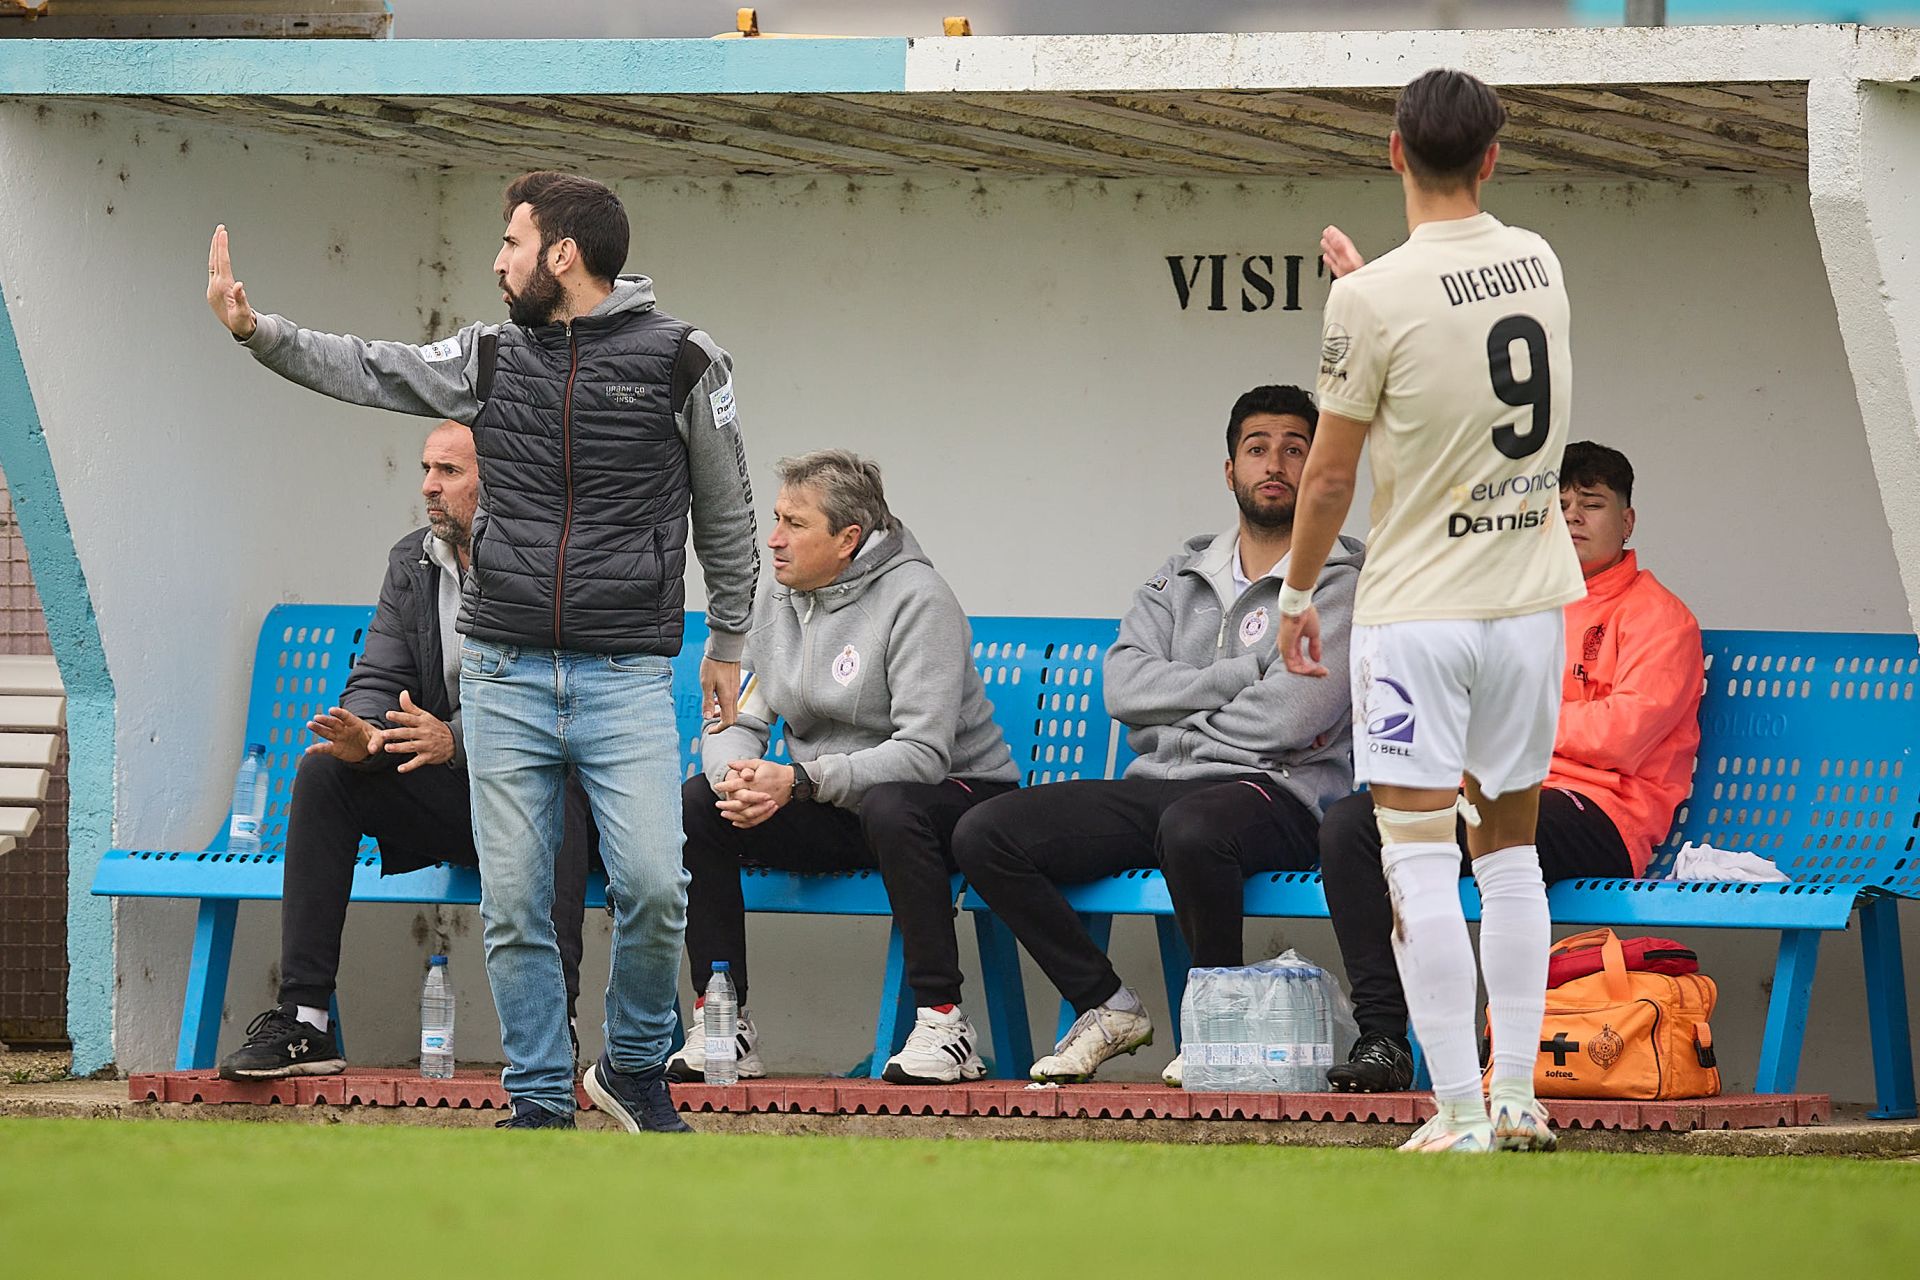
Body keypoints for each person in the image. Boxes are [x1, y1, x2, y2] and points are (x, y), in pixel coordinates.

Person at [206, 170, 759, 1131]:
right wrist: (262, 333)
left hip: (625, 676)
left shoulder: (686, 359)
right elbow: (373, 369)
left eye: (510, 242)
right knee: (513, 909)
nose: (497, 261)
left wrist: (731, 635)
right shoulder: (490, 356)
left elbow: (727, 509)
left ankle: (631, 1067)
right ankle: (540, 1097)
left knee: (655, 887)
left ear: (562, 255)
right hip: (501, 671)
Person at [1275, 69, 1586, 1153]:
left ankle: (1457, 1110)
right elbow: (1456, 348)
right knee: (1509, 857)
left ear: (1393, 151)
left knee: (1416, 859)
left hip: (1422, 613)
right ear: (1494, 157)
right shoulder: (1539, 261)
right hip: (1531, 604)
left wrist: (1300, 587)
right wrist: (1375, 289)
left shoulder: (1370, 302)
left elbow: (1326, 477)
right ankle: (1516, 1096)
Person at [955, 386, 1362, 1085]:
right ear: (1228, 469)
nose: (1276, 464)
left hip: (1278, 794)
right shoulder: (1178, 576)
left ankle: (1214, 1030)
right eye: (1257, 448)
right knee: (984, 832)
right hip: (1161, 788)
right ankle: (1106, 1004)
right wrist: (1244, 672)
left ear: (1320, 470)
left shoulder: (1343, 583)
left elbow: (1297, 715)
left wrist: (1183, 713)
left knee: (1193, 826)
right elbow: (1123, 687)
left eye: (1296, 450)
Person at [216, 422, 600, 1082]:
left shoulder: (555, 565)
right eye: (426, 468)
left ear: (499, 477)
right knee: (324, 775)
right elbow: (377, 676)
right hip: (463, 801)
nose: (428, 485)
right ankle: (306, 1022)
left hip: (554, 800)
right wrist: (365, 735)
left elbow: (568, 717)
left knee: (554, 789)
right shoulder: (413, 562)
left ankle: (549, 1029)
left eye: (448, 471)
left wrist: (458, 740)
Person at [1320, 442, 1704, 1092]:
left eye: (1592, 503)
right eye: (1558, 505)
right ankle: (1385, 1037)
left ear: (1627, 520)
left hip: (1600, 816)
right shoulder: (1512, 607)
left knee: (1482, 837)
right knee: (1355, 824)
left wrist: (1509, 725)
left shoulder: (1658, 617)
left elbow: (1622, 736)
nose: (1573, 516)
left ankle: (1499, 1054)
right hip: (1495, 787)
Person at [670, 451, 1017, 1085]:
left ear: (848, 539)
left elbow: (923, 753)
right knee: (701, 802)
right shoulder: (777, 598)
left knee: (893, 804)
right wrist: (738, 780)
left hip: (955, 800)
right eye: (775, 519)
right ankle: (722, 1021)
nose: (773, 539)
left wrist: (800, 781)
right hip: (839, 805)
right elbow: (738, 720)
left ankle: (944, 1022)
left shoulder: (919, 599)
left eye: (795, 524)